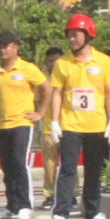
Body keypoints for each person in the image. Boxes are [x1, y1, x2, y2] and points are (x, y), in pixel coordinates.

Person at [49, 14, 110, 219]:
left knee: (94, 170)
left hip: (97, 125)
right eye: (69, 35)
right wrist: (54, 121)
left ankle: (93, 211)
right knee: (68, 169)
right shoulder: (62, 63)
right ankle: (61, 212)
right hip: (70, 125)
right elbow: (57, 93)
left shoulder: (104, 61)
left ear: (88, 35)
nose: (72, 39)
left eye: (76, 35)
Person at [0, 31, 51, 219]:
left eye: (6, 45)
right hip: (2, 125)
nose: (2, 49)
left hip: (22, 123)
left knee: (19, 162)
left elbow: (46, 88)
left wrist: (40, 113)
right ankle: (11, 205)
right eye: (0, 46)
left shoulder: (27, 68)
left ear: (16, 47)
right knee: (6, 166)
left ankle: (25, 205)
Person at [40, 47, 76, 209]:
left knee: (69, 163)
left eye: (56, 60)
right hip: (49, 128)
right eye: (50, 61)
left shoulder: (69, 74)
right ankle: (49, 195)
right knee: (49, 163)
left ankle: (73, 195)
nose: (53, 64)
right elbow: (36, 102)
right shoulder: (41, 80)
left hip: (68, 126)